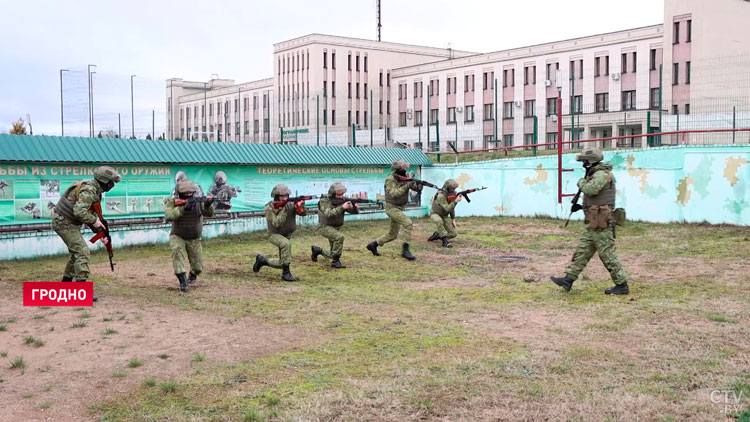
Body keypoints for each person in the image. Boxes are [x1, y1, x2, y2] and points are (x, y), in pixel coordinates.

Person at [551, 148, 629, 295]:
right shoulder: (595, 174)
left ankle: (622, 285)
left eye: (585, 162)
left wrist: (581, 182)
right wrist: (581, 206)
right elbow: (595, 198)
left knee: (607, 255)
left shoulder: (601, 174)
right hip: (593, 222)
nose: (583, 164)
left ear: (590, 161)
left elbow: (592, 190)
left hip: (602, 223)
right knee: (582, 252)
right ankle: (568, 279)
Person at [52, 166, 122, 301]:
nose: (112, 185)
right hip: (64, 223)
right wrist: (94, 221)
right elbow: (79, 212)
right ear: (104, 181)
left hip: (67, 222)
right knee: (82, 252)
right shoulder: (89, 190)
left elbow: (89, 214)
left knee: (75, 253)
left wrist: (101, 233)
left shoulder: (93, 189)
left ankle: (65, 285)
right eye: (111, 182)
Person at [366, 159, 423, 260]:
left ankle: (373, 245)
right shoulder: (390, 179)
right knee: (408, 223)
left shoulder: (405, 177)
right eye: (403, 168)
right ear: (398, 169)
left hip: (400, 208)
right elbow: (393, 193)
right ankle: (405, 250)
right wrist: (407, 185)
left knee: (392, 235)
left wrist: (419, 184)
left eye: (405, 168)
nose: (405, 170)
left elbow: (416, 188)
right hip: (391, 208)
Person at [164, 180, 214, 292]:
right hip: (178, 235)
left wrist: (208, 205)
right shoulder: (172, 201)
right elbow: (168, 215)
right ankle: (183, 281)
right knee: (177, 253)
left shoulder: (198, 201)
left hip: (194, 237)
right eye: (184, 194)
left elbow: (209, 213)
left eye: (189, 193)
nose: (187, 195)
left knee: (198, 267)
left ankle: (192, 275)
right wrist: (182, 209)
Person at [253, 184, 307, 281]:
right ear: (276, 196)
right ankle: (286, 274)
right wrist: (285, 210)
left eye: (286, 196)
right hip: (274, 235)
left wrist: (300, 205)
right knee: (286, 244)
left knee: (284, 261)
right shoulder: (269, 207)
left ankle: (263, 261)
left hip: (287, 234)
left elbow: (303, 214)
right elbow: (276, 223)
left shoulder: (290, 204)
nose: (285, 198)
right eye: (282, 196)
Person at [311, 183, 359, 268]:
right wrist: (342, 207)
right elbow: (328, 214)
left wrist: (355, 207)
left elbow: (353, 211)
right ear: (333, 193)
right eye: (338, 195)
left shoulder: (343, 200)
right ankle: (335, 262)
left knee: (333, 252)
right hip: (325, 227)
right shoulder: (324, 201)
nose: (341, 196)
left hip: (336, 227)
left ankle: (317, 250)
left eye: (342, 194)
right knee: (339, 237)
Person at [427, 179, 461, 248]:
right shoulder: (441, 195)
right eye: (452, 188)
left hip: (444, 215)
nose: (454, 190)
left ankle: (438, 235)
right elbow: (447, 208)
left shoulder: (451, 194)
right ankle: (444, 241)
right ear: (447, 187)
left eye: (454, 188)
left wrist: (453, 219)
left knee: (453, 234)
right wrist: (455, 201)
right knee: (439, 221)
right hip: (435, 213)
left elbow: (451, 209)